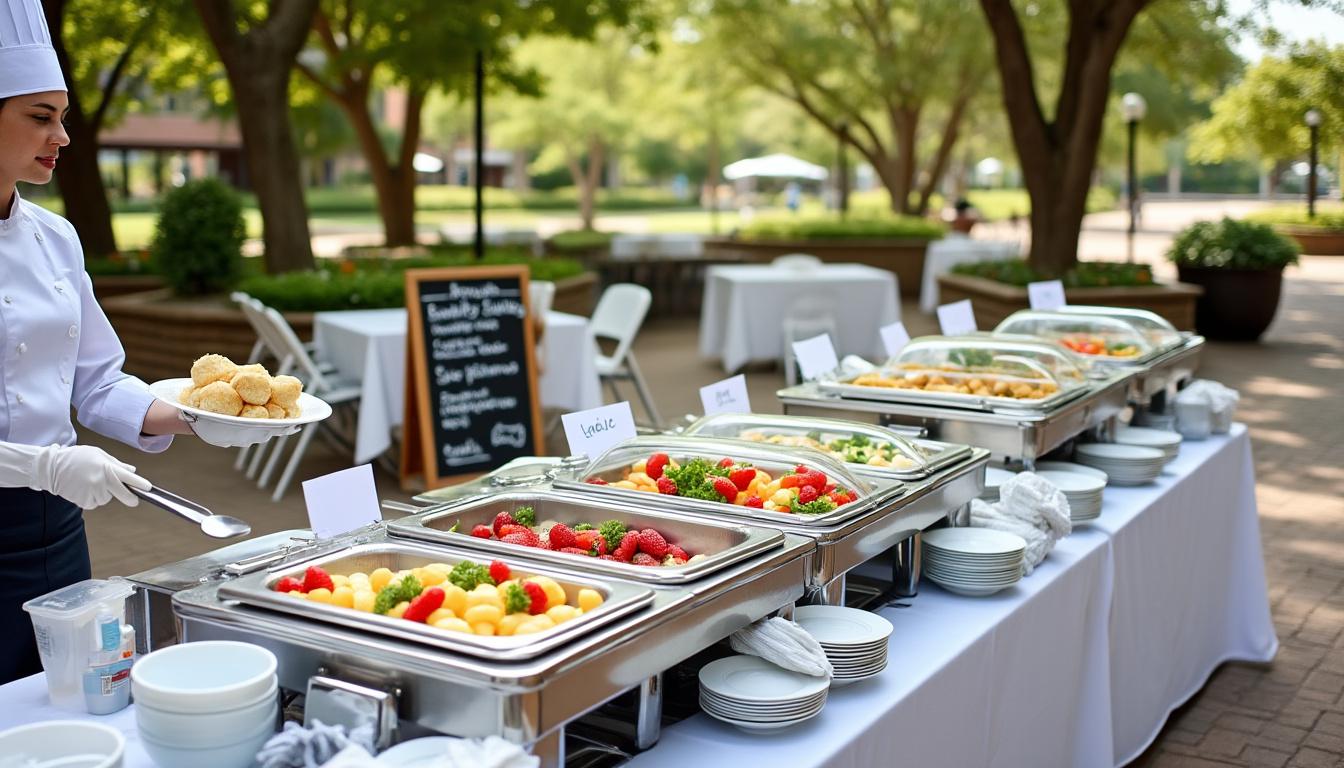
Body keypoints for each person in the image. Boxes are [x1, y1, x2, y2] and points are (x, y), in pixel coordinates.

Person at [0, 0, 261, 684]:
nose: (61, 137)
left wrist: (196, 418)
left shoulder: (56, 238)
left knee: (60, 699)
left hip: (58, 531)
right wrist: (43, 466)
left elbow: (96, 381)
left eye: (62, 117)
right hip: (40, 492)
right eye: (40, 116)